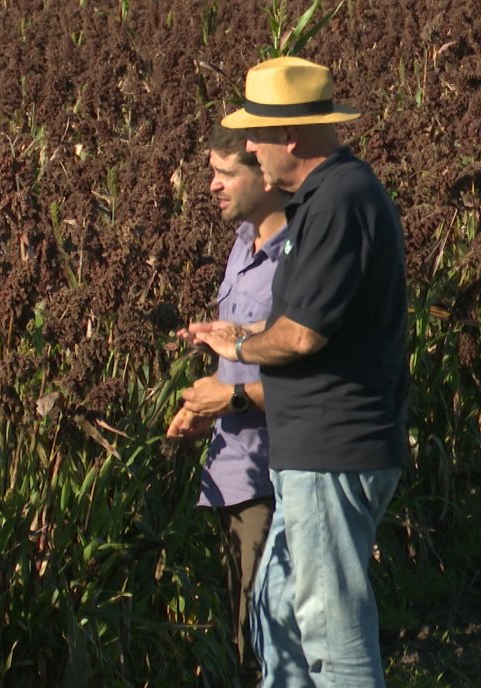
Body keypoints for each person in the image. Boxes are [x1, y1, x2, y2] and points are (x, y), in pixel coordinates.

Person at [186, 56, 409, 687]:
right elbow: (313, 320)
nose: (251, 150)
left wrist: (237, 351)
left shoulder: (339, 200)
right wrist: (238, 332)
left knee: (331, 635)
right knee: (278, 610)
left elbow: (304, 334)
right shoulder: (328, 197)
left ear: (290, 136)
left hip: (331, 448)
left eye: (256, 136)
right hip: (313, 450)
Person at [166, 122, 288, 681]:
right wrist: (201, 408)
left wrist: (230, 401)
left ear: (264, 172)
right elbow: (239, 357)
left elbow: (313, 377)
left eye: (224, 173)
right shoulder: (242, 244)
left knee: (270, 640)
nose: (211, 185)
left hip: (274, 477)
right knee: (243, 629)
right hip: (230, 467)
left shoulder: (296, 259)